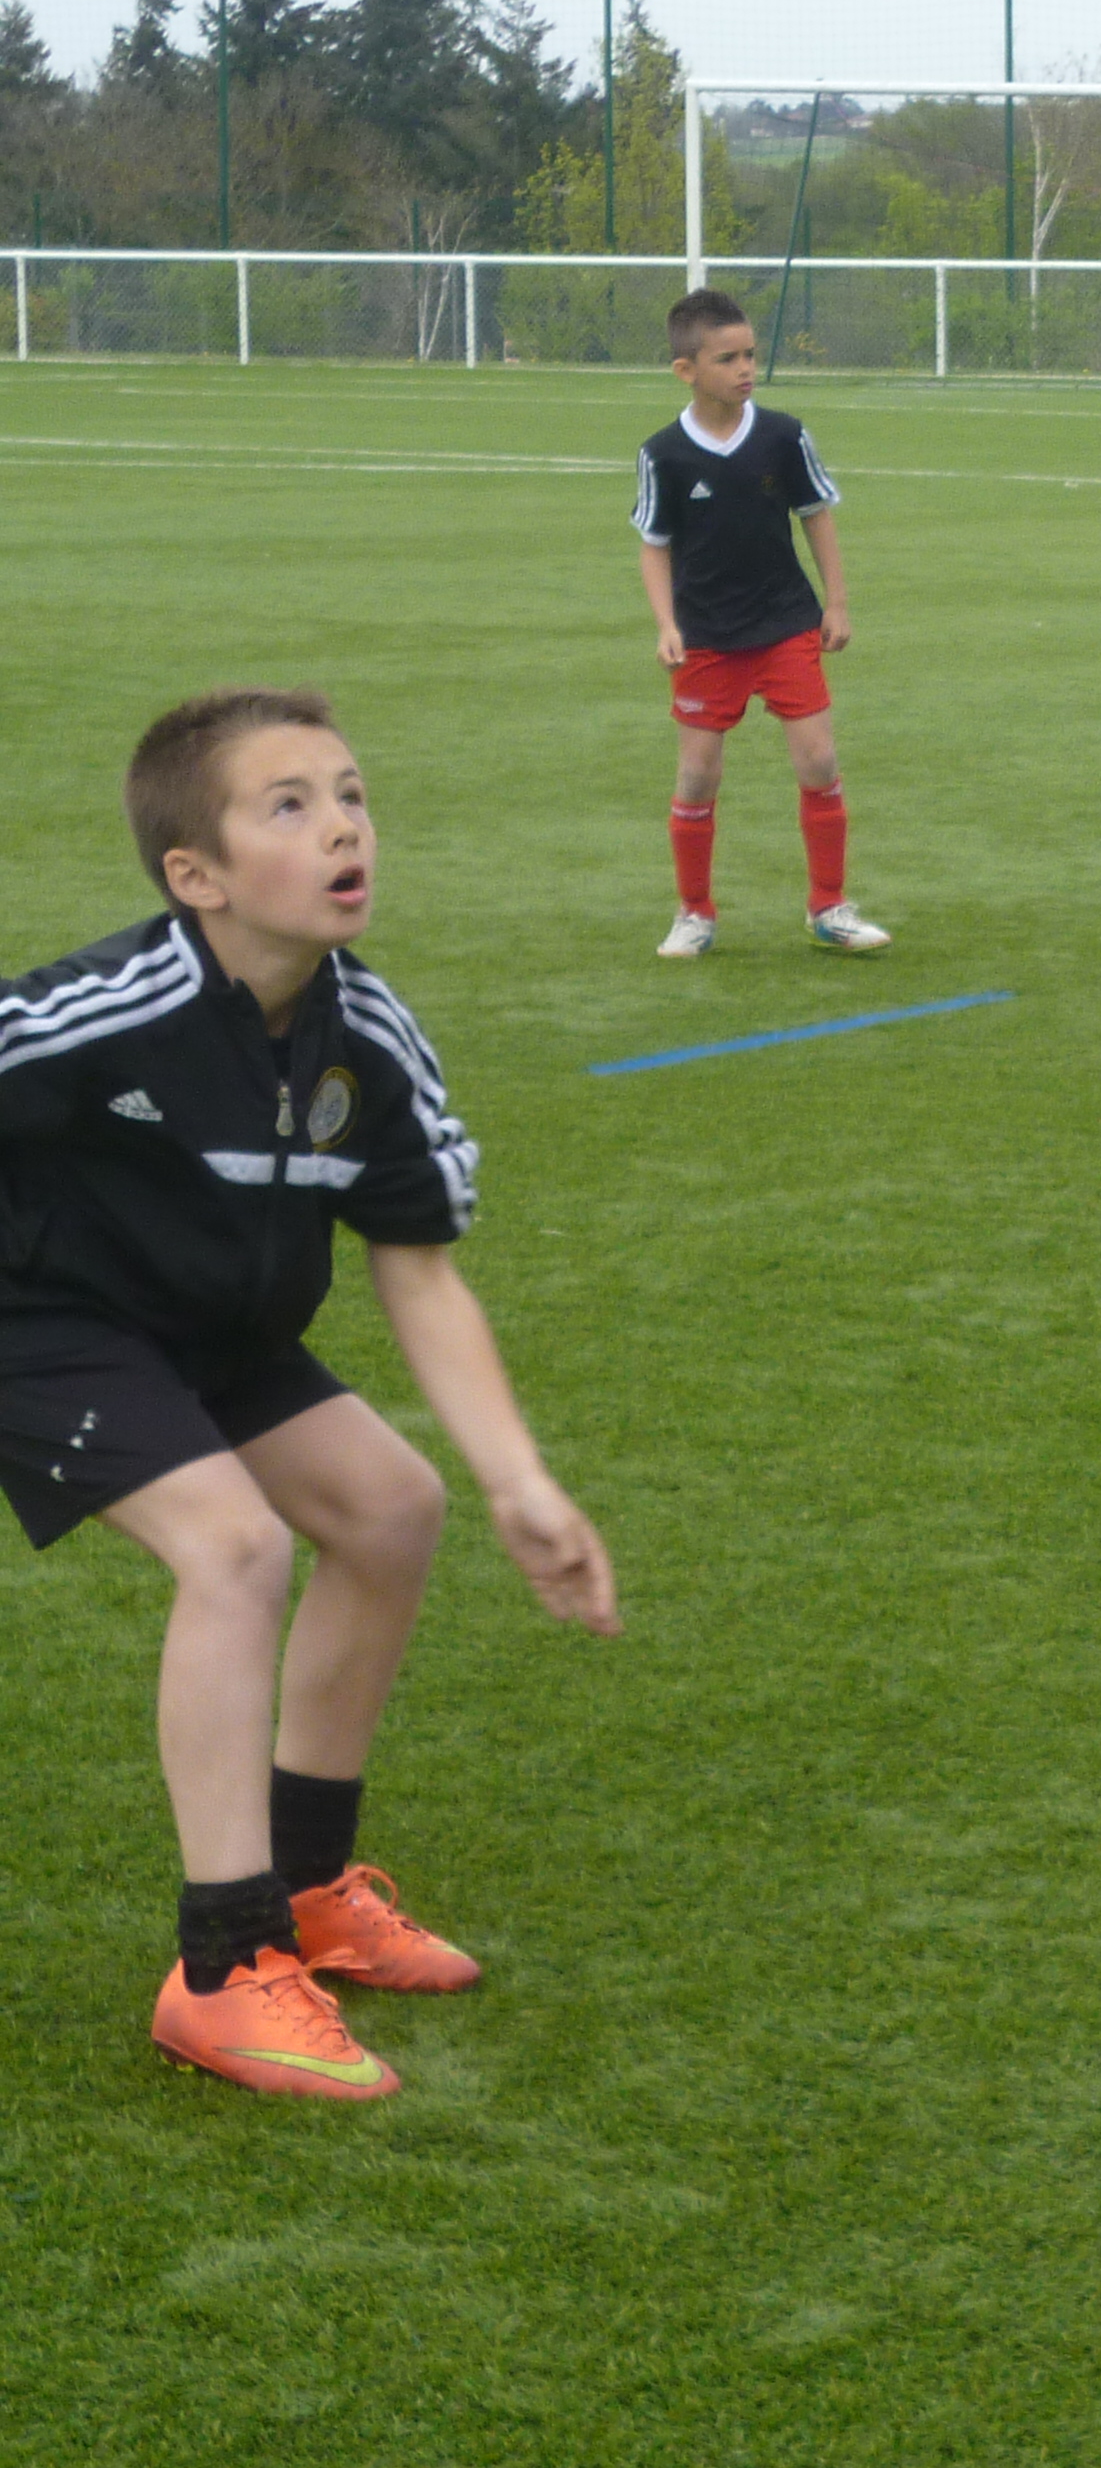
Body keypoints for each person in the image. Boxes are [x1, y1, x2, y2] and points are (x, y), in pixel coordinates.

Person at [0, 690, 619, 2102]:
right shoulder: (104, 1010)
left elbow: (422, 1274)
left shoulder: (370, 1037)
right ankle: (223, 1969)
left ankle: (309, 1886)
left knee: (393, 1509)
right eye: (289, 805)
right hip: (44, 1326)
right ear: (197, 876)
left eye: (349, 794)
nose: (344, 825)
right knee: (234, 1546)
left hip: (211, 1333)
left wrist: (521, 1482)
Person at [635, 288, 890, 958]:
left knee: (819, 759)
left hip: (785, 623)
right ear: (686, 370)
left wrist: (837, 603)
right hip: (706, 636)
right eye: (728, 359)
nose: (746, 368)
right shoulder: (663, 453)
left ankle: (829, 906)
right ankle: (694, 912)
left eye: (750, 354)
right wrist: (666, 624)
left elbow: (816, 516)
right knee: (698, 776)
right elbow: (654, 544)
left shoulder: (783, 435)